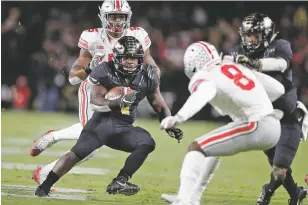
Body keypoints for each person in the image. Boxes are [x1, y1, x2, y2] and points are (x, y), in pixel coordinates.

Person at [29, 0, 161, 185]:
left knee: (93, 146)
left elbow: (150, 63)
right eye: (113, 17)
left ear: (128, 17)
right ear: (103, 17)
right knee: (90, 138)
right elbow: (75, 74)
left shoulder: (137, 34)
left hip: (120, 92)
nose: (117, 22)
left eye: (121, 17)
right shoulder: (92, 37)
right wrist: (87, 70)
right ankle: (52, 139)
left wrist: (153, 77)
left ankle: (44, 172)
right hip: (94, 89)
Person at [34, 36, 183, 197]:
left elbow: (158, 103)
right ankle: (45, 185)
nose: (130, 62)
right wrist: (119, 101)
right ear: (118, 57)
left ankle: (120, 180)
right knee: (78, 153)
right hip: (102, 123)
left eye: (134, 58)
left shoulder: (147, 74)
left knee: (146, 142)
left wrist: (169, 123)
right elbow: (95, 100)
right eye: (126, 57)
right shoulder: (105, 69)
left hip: (124, 127)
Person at [160, 41, 285, 205]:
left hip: (256, 124)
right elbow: (278, 90)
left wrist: (178, 117)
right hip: (273, 123)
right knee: (212, 149)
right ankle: (193, 197)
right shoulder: (233, 66)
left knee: (195, 148)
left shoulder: (206, 73)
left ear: (193, 63)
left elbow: (203, 94)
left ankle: (184, 201)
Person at [232, 12, 307, 205]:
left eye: (255, 35)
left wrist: (256, 64)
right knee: (279, 167)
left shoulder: (280, 46)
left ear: (266, 34)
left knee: (279, 169)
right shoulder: (239, 51)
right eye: (248, 34)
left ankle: (267, 192)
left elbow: (281, 64)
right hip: (265, 119)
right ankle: (296, 195)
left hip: (288, 117)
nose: (250, 39)